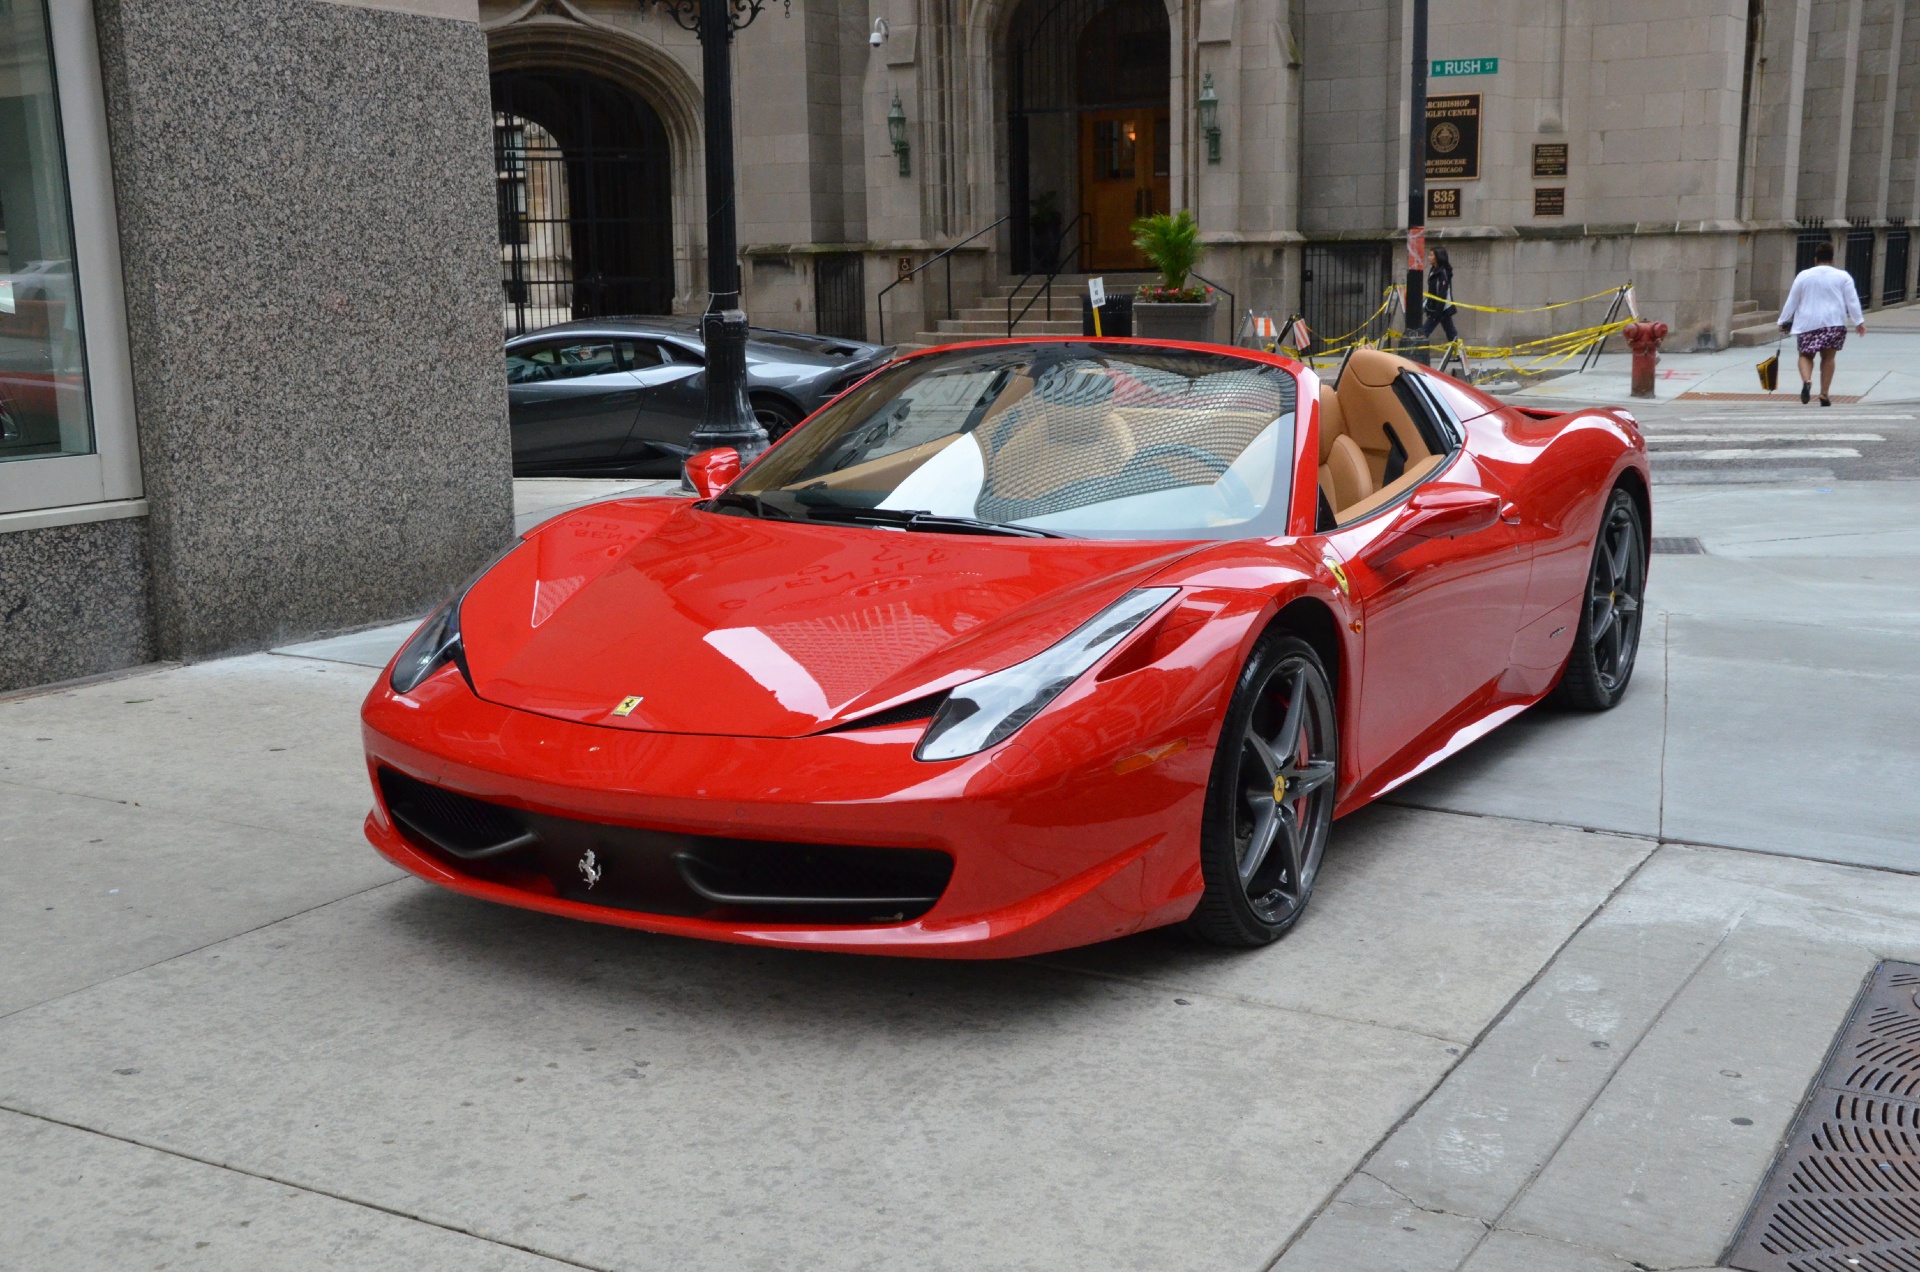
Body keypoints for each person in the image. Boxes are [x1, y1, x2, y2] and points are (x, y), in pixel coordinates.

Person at [1778, 241, 1866, 406]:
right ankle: (1824, 394)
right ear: (1832, 260)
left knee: (1805, 355)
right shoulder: (1843, 276)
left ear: (1815, 259)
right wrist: (1859, 321)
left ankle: (1807, 381)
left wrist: (1783, 320)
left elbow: (1792, 300)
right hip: (1834, 322)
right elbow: (1852, 301)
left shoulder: (1803, 276)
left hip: (1808, 323)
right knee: (1828, 357)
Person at [1421, 246, 1459, 349]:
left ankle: (1416, 352)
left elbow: (1442, 293)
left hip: (1441, 308)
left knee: (1424, 331)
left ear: (1438, 257)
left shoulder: (1442, 273)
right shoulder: (1434, 270)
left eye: (1431, 255)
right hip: (1438, 308)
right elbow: (1432, 292)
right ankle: (1459, 353)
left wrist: (1437, 312)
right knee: (1451, 331)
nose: (1429, 257)